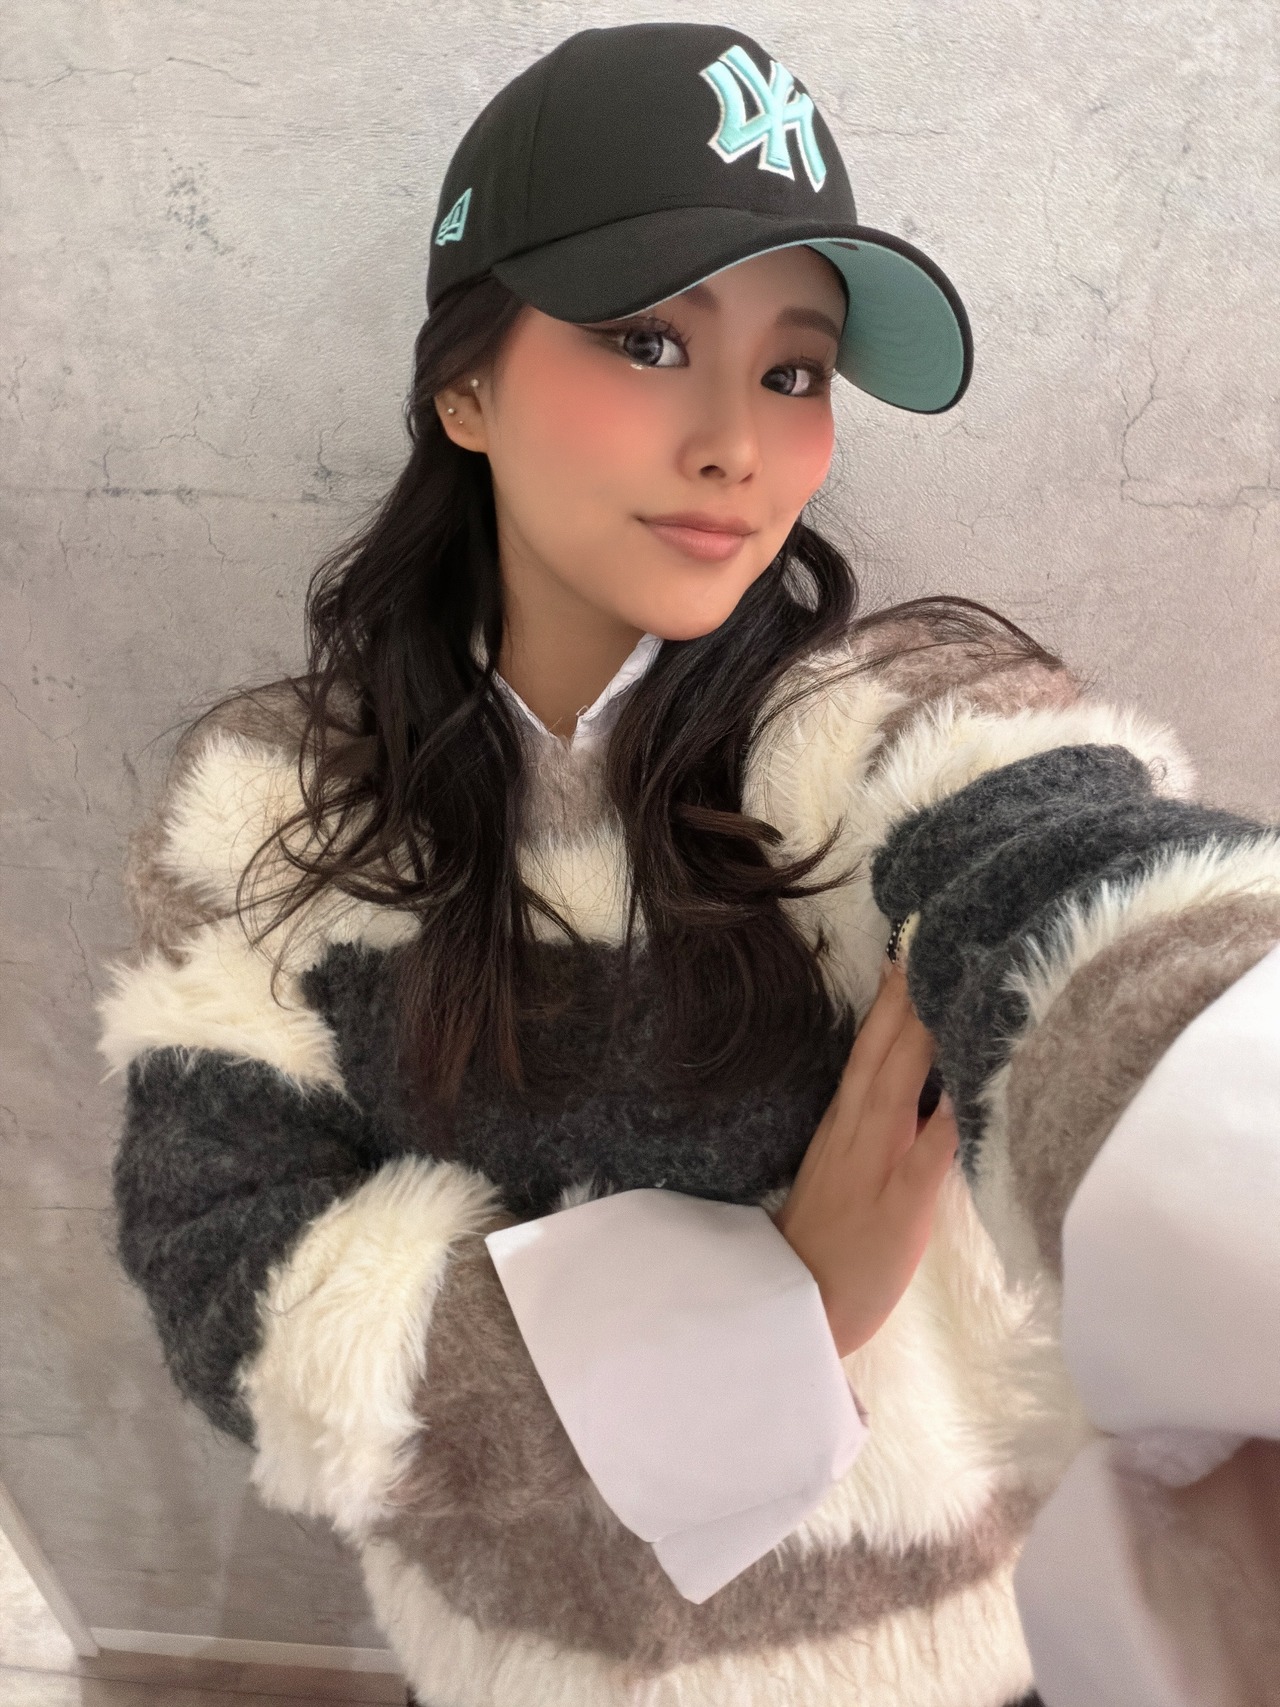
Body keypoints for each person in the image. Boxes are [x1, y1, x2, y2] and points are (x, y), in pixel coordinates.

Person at [96, 21, 1280, 1707]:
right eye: (649, 340)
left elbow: (1098, 908)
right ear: (463, 387)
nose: (740, 442)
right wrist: (769, 1299)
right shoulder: (272, 809)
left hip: (934, 1666)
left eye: (796, 371)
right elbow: (233, 1290)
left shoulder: (884, 728)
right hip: (513, 1669)